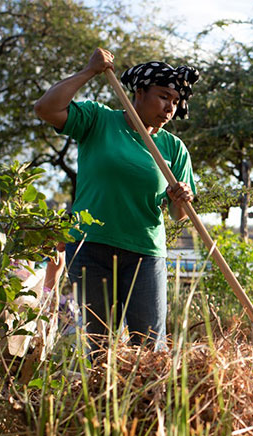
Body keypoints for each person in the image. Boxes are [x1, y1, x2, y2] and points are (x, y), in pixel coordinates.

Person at [34, 48, 199, 352]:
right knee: (101, 347)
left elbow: (179, 214)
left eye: (175, 102)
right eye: (163, 96)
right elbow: (45, 109)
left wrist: (182, 198)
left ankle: (149, 400)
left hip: (144, 253)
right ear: (140, 92)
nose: (170, 108)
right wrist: (89, 71)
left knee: (149, 348)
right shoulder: (98, 120)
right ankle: (101, 400)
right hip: (91, 247)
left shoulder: (173, 148)